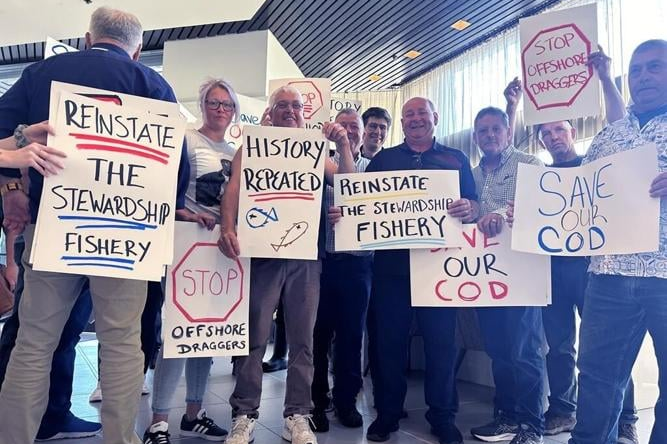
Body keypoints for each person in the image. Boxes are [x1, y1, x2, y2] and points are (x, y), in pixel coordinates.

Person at [0, 7, 190, 444]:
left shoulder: (42, 73)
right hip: (128, 238)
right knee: (122, 344)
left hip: (53, 227)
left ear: (88, 38)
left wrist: (13, 185)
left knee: (33, 343)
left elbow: (4, 134)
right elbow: (174, 168)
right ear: (138, 50)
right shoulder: (154, 85)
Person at [330, 97, 478, 444]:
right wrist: (344, 215)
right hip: (390, 271)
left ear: (435, 117)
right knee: (388, 346)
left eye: (421, 113)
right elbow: (358, 205)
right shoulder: (383, 160)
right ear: (402, 121)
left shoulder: (456, 159)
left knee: (442, 345)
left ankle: (442, 416)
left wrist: (469, 206)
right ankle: (387, 413)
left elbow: (474, 203)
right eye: (408, 114)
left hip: (439, 269)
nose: (415, 119)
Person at [218, 85, 355, 444]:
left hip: (305, 256)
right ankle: (244, 414)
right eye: (283, 105)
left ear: (304, 112)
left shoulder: (312, 149)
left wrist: (342, 147)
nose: (291, 110)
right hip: (262, 254)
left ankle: (298, 414)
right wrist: (228, 226)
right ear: (271, 111)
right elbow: (233, 187)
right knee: (254, 336)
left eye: (296, 105)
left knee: (303, 339)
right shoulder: (253, 145)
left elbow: (348, 184)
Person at [566, 38, 667, 444]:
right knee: (596, 379)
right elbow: (578, 193)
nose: (643, 76)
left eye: (655, 67)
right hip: (607, 276)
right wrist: (537, 213)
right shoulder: (610, 136)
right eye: (637, 69)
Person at [141, 78, 241, 444]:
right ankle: (159, 421)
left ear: (234, 111)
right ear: (202, 105)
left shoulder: (235, 150)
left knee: (208, 334)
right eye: (213, 103)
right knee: (178, 332)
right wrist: (184, 215)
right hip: (185, 246)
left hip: (221, 251)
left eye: (227, 105)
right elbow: (162, 186)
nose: (220, 110)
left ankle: (193, 415)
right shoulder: (185, 140)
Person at [471, 106, 546, 444]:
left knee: (526, 351)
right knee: (498, 350)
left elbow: (537, 203)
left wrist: (498, 213)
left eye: (495, 129)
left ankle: (532, 426)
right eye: (483, 131)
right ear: (475, 137)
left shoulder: (530, 164)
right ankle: (506, 417)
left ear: (507, 132)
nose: (489, 135)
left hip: (522, 275)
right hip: (484, 279)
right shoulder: (470, 174)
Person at [310, 108, 372, 432]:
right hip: (321, 262)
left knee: (351, 337)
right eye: (342, 126)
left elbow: (360, 197)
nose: (348, 132)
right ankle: (317, 403)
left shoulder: (375, 168)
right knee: (317, 337)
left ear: (362, 134)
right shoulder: (314, 162)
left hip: (358, 264)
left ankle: (346, 402)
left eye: (354, 128)